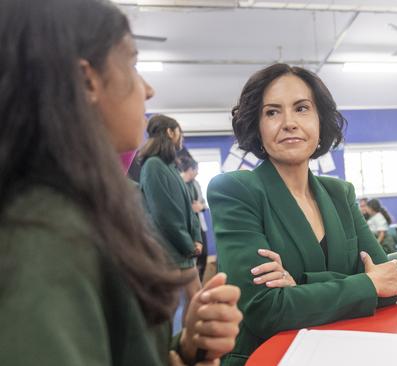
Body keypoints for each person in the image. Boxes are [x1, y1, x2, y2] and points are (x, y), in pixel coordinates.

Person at [0, 0, 242, 365]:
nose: (147, 90)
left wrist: (184, 348)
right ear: (86, 82)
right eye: (131, 63)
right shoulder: (44, 239)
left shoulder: (77, 209)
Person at [208, 63, 397, 366]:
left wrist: (298, 287)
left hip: (346, 350)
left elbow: (389, 283)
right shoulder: (235, 190)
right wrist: (364, 284)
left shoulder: (340, 193)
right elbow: (265, 311)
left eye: (302, 108)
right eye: (272, 112)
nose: (289, 122)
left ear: (320, 121)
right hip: (266, 357)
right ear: (257, 127)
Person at [139, 114, 204, 322]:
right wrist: (189, 245)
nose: (181, 137)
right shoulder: (153, 165)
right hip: (169, 253)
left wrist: (197, 238)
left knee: (197, 302)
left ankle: (189, 349)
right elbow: (165, 214)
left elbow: (188, 209)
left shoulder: (171, 167)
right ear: (170, 132)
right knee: (169, 311)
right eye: (179, 132)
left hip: (184, 252)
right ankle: (172, 351)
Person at [178, 155, 209, 281]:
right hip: (185, 226)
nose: (198, 172)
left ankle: (199, 281)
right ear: (190, 169)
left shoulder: (196, 184)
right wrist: (190, 208)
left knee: (204, 253)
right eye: (196, 169)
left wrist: (200, 206)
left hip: (199, 224)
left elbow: (204, 203)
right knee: (189, 256)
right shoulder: (178, 183)